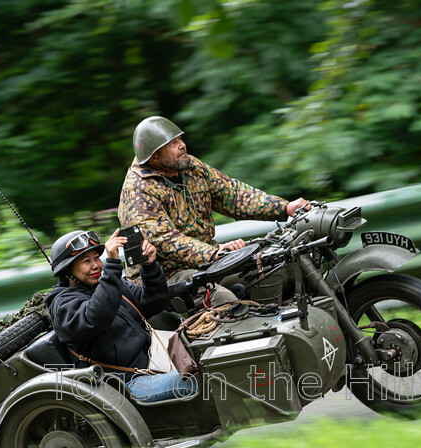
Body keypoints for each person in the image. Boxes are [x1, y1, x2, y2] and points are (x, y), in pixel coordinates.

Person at [118, 116, 310, 305]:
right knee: (223, 300)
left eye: (180, 139)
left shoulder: (190, 167)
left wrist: (284, 207)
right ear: (155, 156)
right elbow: (163, 240)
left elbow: (233, 195)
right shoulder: (137, 190)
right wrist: (213, 253)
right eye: (172, 143)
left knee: (272, 269)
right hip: (165, 280)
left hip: (205, 266)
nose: (182, 145)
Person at [44, 229, 197, 402]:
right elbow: (97, 315)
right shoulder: (63, 305)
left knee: (209, 358)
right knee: (196, 381)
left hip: (154, 360)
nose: (95, 265)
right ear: (67, 270)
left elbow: (153, 303)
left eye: (96, 258)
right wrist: (112, 266)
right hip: (123, 386)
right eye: (86, 261)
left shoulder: (108, 284)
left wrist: (149, 266)